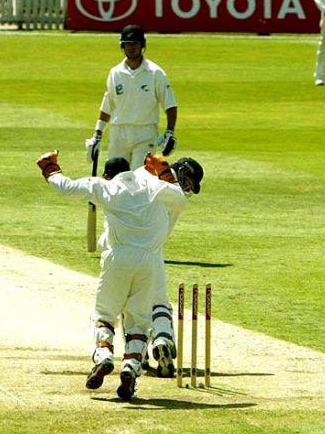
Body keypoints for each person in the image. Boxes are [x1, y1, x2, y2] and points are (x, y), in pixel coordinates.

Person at [36, 150, 204, 400]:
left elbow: (66, 187)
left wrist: (49, 166)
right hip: (150, 259)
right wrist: (165, 171)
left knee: (105, 315)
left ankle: (104, 356)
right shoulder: (155, 185)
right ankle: (131, 367)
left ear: (108, 174)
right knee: (138, 321)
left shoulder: (106, 186)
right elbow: (180, 201)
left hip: (117, 257)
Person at [86, 25, 179, 171]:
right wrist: (98, 134)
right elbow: (108, 103)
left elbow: (170, 105)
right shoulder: (115, 72)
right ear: (122, 46)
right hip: (118, 132)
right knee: (115, 179)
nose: (132, 47)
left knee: (139, 178)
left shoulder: (155, 72)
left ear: (142, 45)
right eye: (128, 43)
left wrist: (170, 132)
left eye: (135, 43)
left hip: (145, 132)